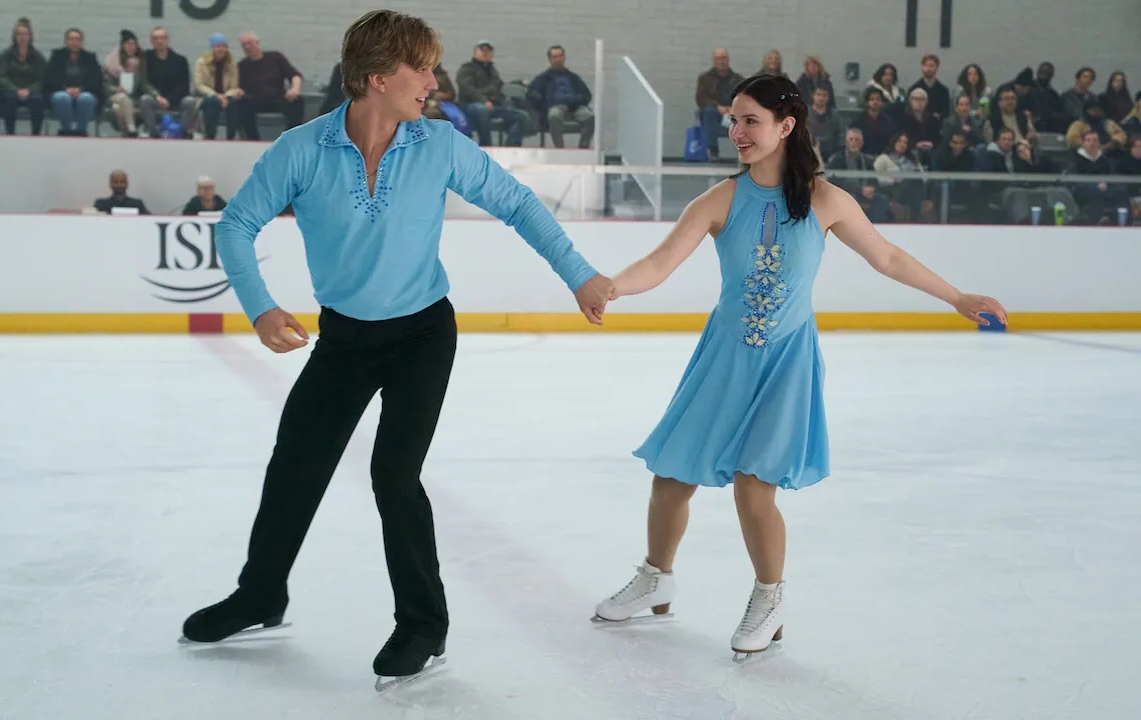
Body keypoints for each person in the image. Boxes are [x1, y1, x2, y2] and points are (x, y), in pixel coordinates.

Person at [179, 8, 613, 686]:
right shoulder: (302, 150)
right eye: (424, 68)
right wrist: (260, 308)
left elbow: (520, 204)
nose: (434, 81)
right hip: (345, 338)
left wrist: (578, 273)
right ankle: (260, 594)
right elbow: (236, 226)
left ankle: (422, 625)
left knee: (393, 474)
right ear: (378, 78)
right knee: (295, 462)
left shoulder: (437, 144)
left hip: (421, 335)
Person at [591, 74, 1006, 659]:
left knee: (754, 487)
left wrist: (957, 297)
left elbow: (887, 257)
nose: (736, 132)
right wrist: (612, 285)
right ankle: (657, 577)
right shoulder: (718, 200)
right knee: (671, 478)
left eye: (750, 120)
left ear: (786, 126)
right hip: (724, 360)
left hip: (786, 362)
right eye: (732, 120)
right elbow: (660, 262)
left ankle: (769, 597)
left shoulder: (825, 199)